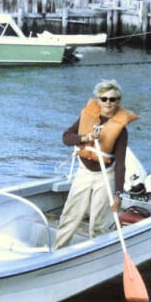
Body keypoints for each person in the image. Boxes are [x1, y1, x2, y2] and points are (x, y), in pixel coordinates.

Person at [54, 79, 138, 249]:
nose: (108, 102)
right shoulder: (88, 116)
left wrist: (118, 194)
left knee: (98, 223)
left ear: (118, 101)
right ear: (98, 100)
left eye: (113, 99)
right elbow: (66, 138)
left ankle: (97, 252)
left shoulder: (121, 130)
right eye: (104, 98)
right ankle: (58, 250)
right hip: (84, 171)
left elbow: (121, 163)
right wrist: (85, 138)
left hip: (105, 175)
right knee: (71, 215)